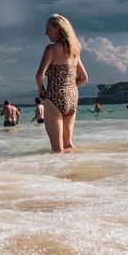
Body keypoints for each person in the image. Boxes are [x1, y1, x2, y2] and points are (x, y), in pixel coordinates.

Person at [36, 14, 88, 152]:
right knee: (68, 144)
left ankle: (60, 174)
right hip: (72, 98)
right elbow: (84, 78)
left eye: (48, 29)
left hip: (54, 98)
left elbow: (39, 75)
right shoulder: (74, 50)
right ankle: (76, 171)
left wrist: (41, 90)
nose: (46, 33)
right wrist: (68, 88)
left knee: (57, 149)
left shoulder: (51, 49)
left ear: (57, 28)